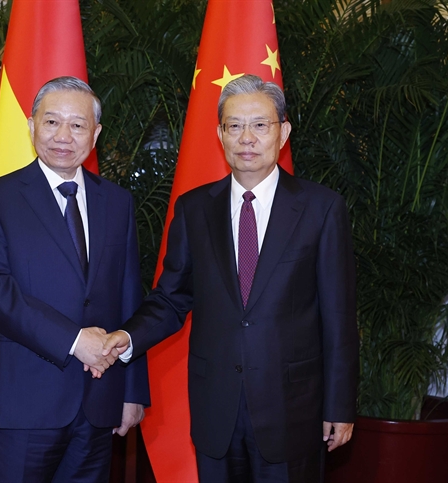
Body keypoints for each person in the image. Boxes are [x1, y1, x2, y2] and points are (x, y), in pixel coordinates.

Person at [103, 74, 358, 483]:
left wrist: (340, 406)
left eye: (260, 125)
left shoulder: (322, 209)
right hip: (216, 408)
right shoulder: (194, 209)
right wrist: (127, 337)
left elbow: (339, 317)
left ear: (283, 132)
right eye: (234, 125)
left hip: (292, 409)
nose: (247, 138)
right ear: (220, 134)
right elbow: (171, 298)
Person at [0, 76, 150, 482]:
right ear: (31, 125)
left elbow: (129, 297)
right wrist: (74, 340)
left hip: (99, 402)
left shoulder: (117, 202)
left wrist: (132, 391)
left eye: (77, 125)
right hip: (22, 405)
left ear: (95, 134)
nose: (63, 136)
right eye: (51, 122)